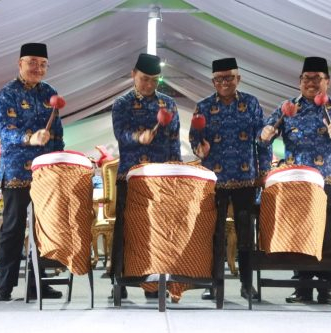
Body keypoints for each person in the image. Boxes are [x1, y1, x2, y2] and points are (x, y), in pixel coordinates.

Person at [261, 56, 331, 304]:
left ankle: (326, 288)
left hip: (327, 181)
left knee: (327, 235)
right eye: (307, 79)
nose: (311, 83)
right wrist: (265, 134)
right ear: (299, 81)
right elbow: (263, 137)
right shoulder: (288, 108)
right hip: (296, 182)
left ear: (328, 81)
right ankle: (302, 287)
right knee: (299, 233)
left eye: (317, 79)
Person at [189, 57, 272, 300]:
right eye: (219, 79)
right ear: (213, 81)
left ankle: (247, 284)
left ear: (239, 78)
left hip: (245, 179)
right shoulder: (202, 106)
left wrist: (264, 170)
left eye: (229, 78)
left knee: (246, 234)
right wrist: (199, 148)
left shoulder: (251, 103)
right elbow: (195, 138)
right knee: (213, 234)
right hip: (213, 181)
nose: (224, 82)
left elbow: (263, 141)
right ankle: (212, 283)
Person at [0, 43, 64, 301]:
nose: (38, 68)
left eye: (43, 64)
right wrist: (31, 137)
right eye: (32, 62)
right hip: (15, 172)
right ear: (19, 63)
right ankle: (5, 285)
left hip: (45, 173)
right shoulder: (7, 94)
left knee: (43, 229)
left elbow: (57, 134)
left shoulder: (50, 93)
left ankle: (38, 284)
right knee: (13, 228)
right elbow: (6, 132)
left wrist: (60, 162)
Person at [111, 53, 181, 299]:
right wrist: (138, 137)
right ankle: (118, 282)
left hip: (160, 180)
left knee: (157, 232)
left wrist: (176, 173)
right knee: (126, 230)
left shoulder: (168, 104)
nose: (149, 85)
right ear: (133, 75)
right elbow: (121, 134)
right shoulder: (122, 103)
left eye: (154, 80)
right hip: (130, 177)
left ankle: (154, 283)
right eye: (144, 79)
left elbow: (174, 142)